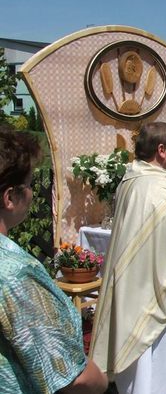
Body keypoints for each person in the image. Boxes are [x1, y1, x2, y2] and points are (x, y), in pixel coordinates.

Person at [90, 122, 166, 394]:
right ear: (161, 149)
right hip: (157, 288)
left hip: (135, 281)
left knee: (137, 351)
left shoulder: (132, 178)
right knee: (156, 351)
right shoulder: (157, 186)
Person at [0, 129, 108, 393]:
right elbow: (71, 377)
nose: (32, 194)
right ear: (10, 198)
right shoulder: (15, 274)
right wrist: (103, 383)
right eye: (29, 185)